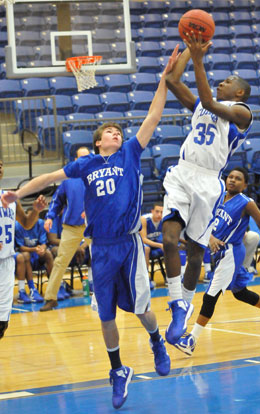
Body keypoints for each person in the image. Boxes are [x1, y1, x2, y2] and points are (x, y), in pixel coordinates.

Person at [1, 45, 180, 410]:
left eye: (118, 130)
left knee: (143, 309)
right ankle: (117, 370)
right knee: (106, 315)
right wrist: (17, 192)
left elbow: (153, 115)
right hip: (99, 246)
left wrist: (163, 81)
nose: (116, 132)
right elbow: (50, 176)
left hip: (129, 244)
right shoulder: (87, 166)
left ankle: (156, 340)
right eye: (110, 131)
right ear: (98, 141)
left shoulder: (131, 151)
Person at [161, 32, 253, 346]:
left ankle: (185, 303)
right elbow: (173, 81)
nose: (221, 82)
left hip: (208, 181)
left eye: (227, 80)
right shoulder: (203, 104)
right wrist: (189, 49)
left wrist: (199, 60)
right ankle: (177, 304)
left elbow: (209, 101)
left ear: (239, 91)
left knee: (196, 251)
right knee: (169, 239)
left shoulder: (242, 114)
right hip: (182, 172)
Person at [174, 167, 260, 356]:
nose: (232, 180)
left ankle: (191, 340)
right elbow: (206, 221)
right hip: (220, 251)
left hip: (231, 252)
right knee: (239, 292)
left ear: (244, 185)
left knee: (210, 296)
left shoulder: (246, 202)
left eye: (238, 179)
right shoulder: (218, 197)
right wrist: (210, 237)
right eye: (230, 177)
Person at [0, 159, 46, 339]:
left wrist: (35, 210)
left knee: (2, 323)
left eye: (2, 164)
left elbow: (26, 223)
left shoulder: (10, 198)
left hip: (6, 263)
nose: (0, 167)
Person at [41, 146, 91, 311]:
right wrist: (49, 217)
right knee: (60, 261)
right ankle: (51, 298)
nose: (84, 160)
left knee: (104, 257)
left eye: (87, 157)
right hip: (71, 227)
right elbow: (57, 201)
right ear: (76, 160)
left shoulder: (97, 177)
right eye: (81, 158)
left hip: (93, 225)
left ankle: (114, 291)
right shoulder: (68, 180)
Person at [15, 209, 53, 303]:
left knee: (48, 253)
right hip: (25, 257)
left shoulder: (40, 223)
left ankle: (55, 287)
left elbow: (44, 243)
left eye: (34, 217)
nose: (31, 220)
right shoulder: (18, 225)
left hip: (37, 256)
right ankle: (31, 289)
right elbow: (21, 248)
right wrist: (35, 249)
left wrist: (42, 248)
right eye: (29, 217)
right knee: (25, 255)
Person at [140, 202, 164, 289]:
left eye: (161, 212)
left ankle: (172, 278)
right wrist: (160, 245)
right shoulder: (144, 219)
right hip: (145, 244)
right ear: (152, 211)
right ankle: (146, 279)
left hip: (156, 243)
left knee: (170, 246)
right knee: (146, 249)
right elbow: (143, 238)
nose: (159, 214)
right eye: (157, 212)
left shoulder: (165, 219)